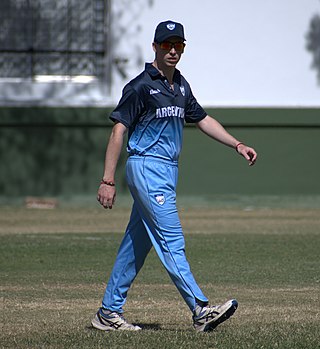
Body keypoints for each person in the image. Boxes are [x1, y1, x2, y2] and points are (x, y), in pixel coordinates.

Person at [92, 20, 257, 332]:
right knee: (172, 240)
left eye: (178, 45)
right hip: (146, 167)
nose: (172, 50)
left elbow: (203, 119)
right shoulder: (141, 86)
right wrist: (107, 179)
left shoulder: (180, 85)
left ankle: (107, 313)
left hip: (167, 170)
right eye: (166, 44)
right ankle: (200, 309)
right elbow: (118, 130)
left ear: (183, 48)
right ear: (154, 46)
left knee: (136, 244)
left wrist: (237, 144)